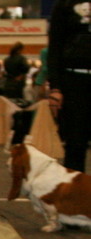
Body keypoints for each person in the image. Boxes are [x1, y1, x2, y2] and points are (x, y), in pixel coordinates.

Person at [47, 0, 91, 173]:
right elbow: (55, 46)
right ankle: (74, 196)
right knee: (75, 144)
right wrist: (55, 87)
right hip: (73, 80)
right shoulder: (65, 4)